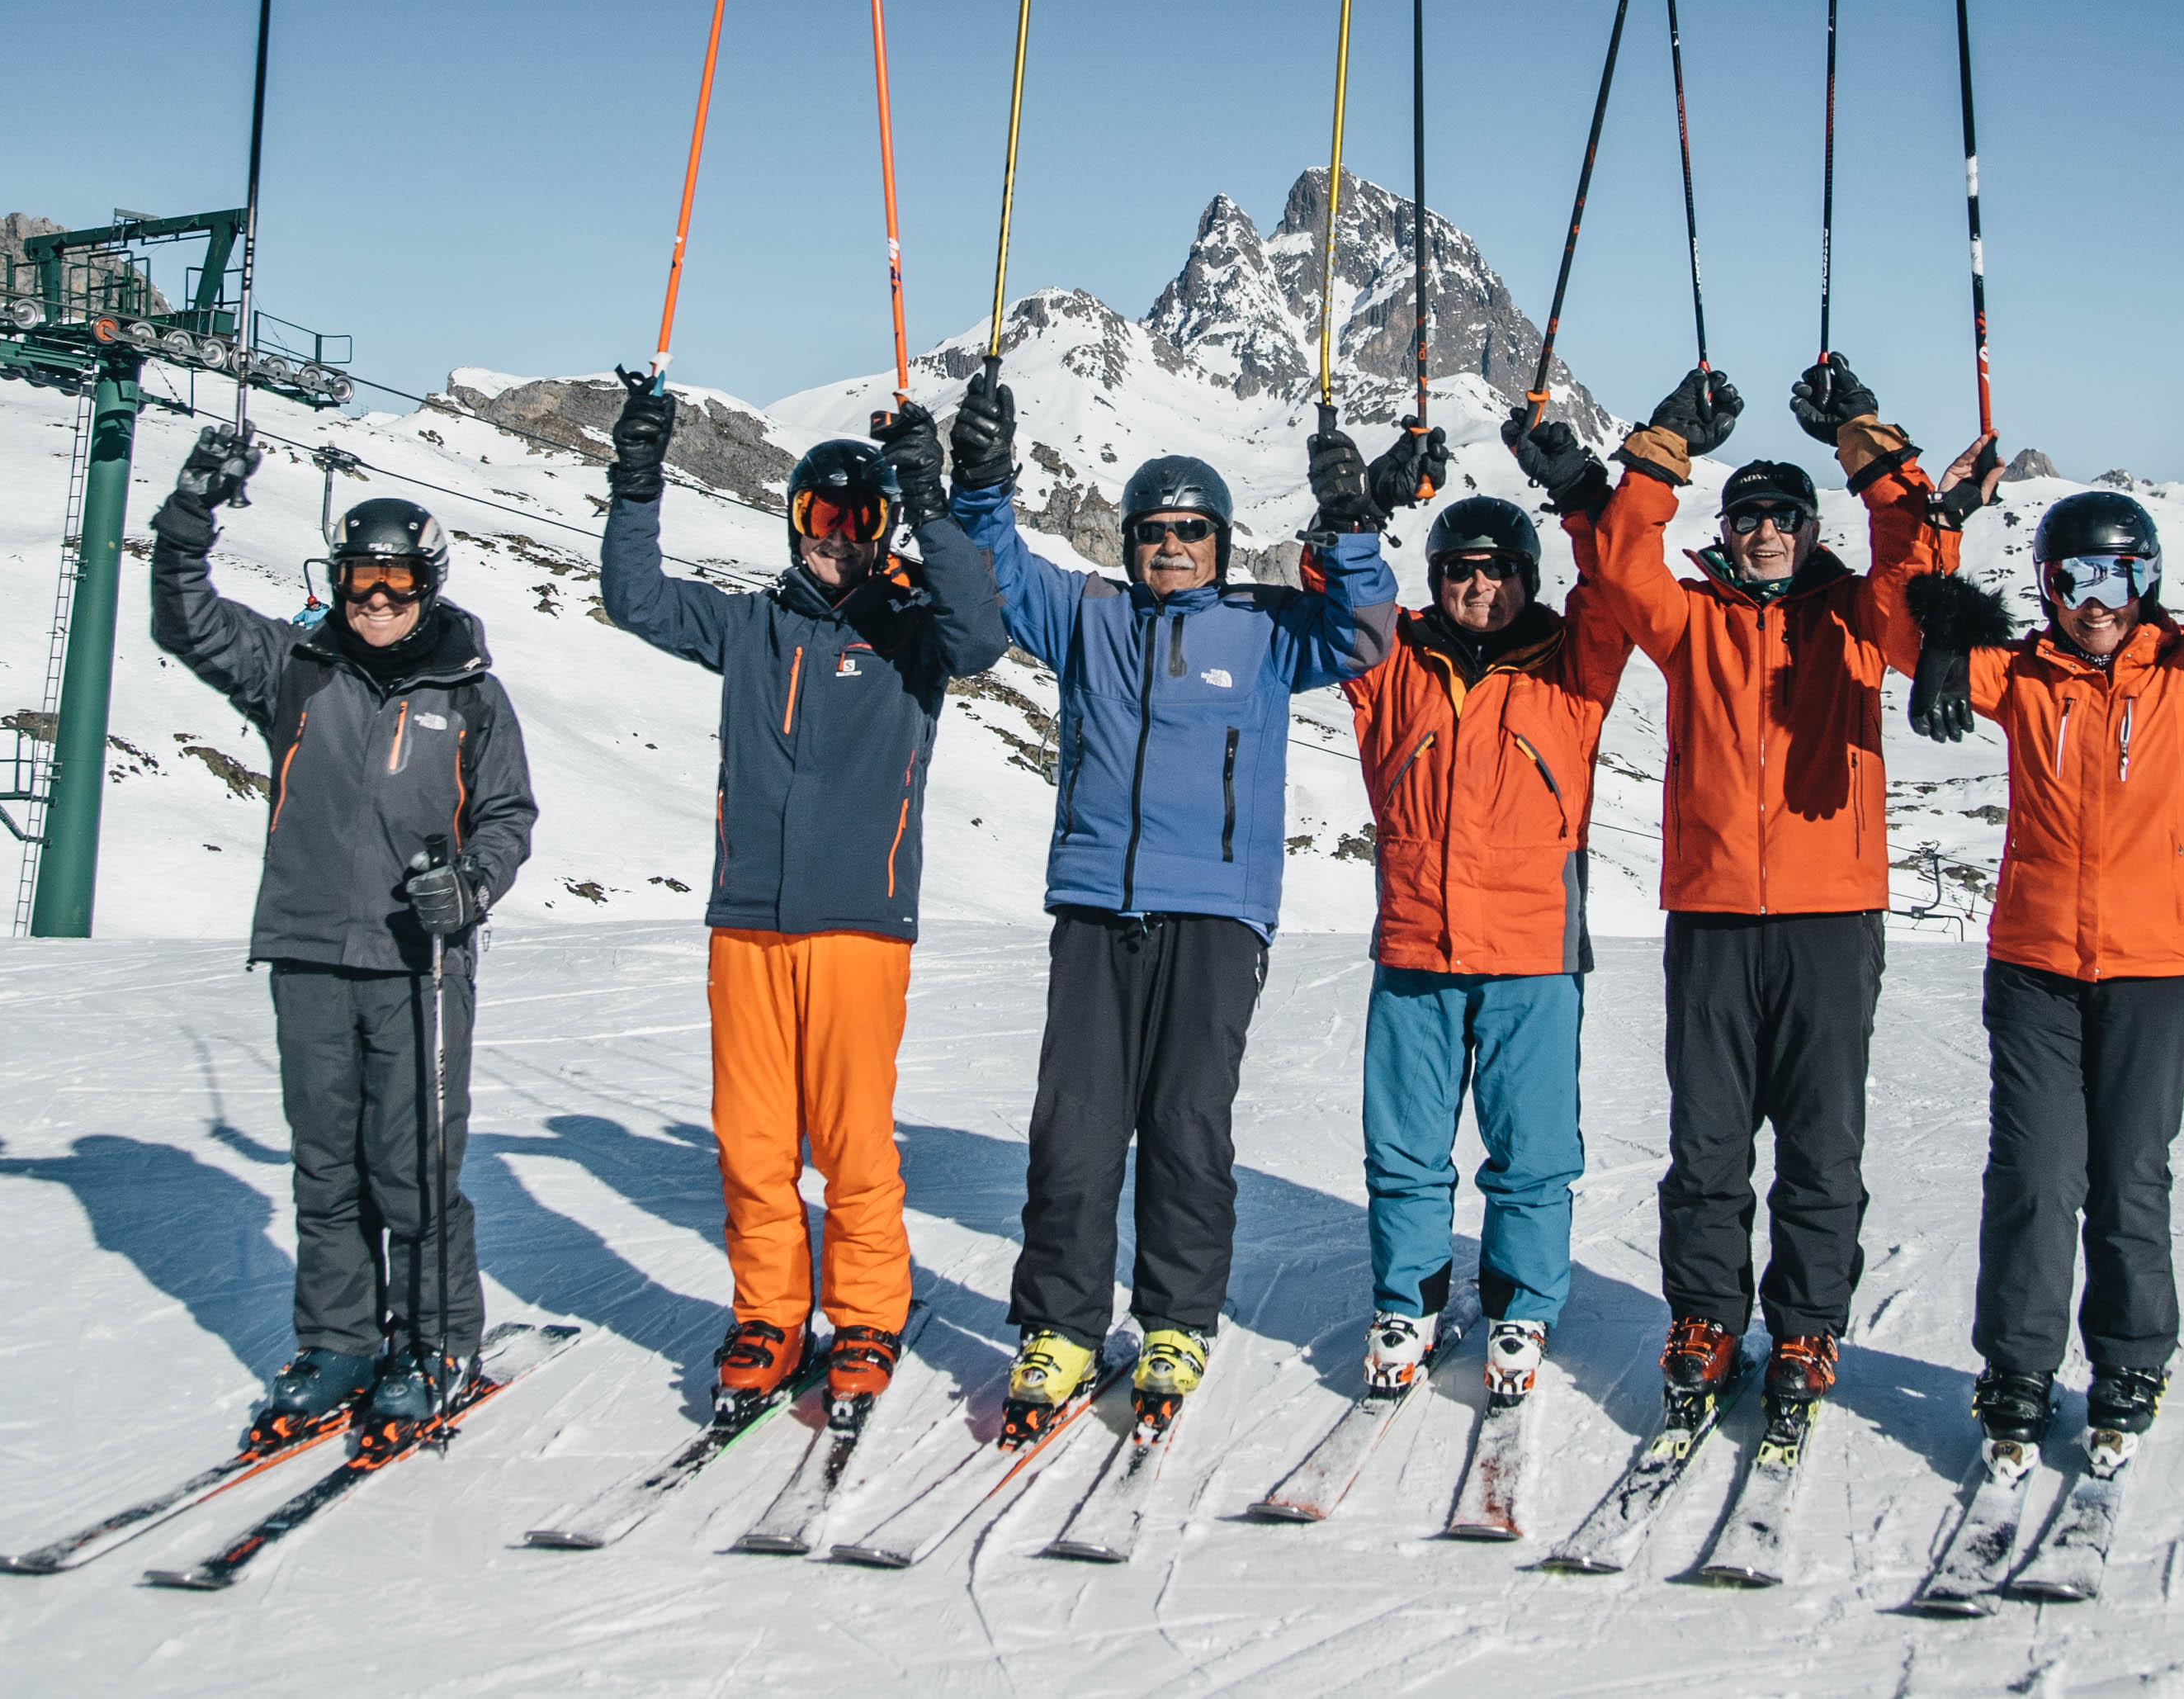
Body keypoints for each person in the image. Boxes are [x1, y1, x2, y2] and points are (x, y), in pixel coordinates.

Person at [946, 367, 1397, 1424]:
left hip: (1216, 913)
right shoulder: (1087, 614)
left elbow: (1365, 634)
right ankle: (1061, 1327)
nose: (1172, 545)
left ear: (1221, 541)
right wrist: (982, 479)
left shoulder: (1265, 626)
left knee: (1188, 1124)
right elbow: (994, 568)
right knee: (1074, 1127)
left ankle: (1176, 1321)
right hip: (1097, 906)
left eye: (1192, 529)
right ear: (1130, 541)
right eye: (1153, 530)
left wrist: (1349, 524)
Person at [1896, 402, 2184, 1454]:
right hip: (2038, 968)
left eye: (2119, 576)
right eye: (2075, 580)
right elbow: (1893, 628)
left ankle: (2132, 1359)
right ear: (2048, 586)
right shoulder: (2023, 677)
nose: (2097, 601)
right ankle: (2017, 1366)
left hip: (2162, 970)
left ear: (2148, 581)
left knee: (2130, 1175)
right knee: (2035, 1176)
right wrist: (1942, 538)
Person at [1580, 353, 1988, 1435]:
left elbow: (1918, 561)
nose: (1765, 531)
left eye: (1784, 516)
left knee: (1821, 1139)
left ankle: (1806, 1324)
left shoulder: (1858, 614)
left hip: (1830, 916)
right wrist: (1665, 444)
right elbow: (1620, 561)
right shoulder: (1690, 620)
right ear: (1727, 528)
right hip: (1713, 914)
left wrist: (1866, 441)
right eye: (1749, 515)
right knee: (1708, 1139)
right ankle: (1706, 1317)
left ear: (1812, 529)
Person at [597, 378, 1005, 1412]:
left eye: (859, 519)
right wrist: (636, 479)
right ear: (794, 520)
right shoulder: (752, 627)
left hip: (859, 924)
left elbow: (980, 636)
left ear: (881, 529)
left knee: (853, 1138)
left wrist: (930, 500)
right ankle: (770, 1313)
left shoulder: (913, 631)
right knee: (752, 1139)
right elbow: (636, 599)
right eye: (822, 515)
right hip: (747, 920)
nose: (837, 536)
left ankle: (865, 1313)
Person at [149, 424, 537, 1451]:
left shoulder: (470, 693)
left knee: (412, 1166)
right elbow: (185, 619)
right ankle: (339, 1342)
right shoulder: (295, 666)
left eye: (396, 580)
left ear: (429, 584)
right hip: (311, 947)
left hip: (419, 961)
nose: (377, 599)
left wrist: (471, 884)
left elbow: (507, 817)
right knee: (327, 1167)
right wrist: (192, 514)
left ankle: (437, 1342)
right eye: (361, 578)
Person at [1345, 414, 1633, 1407]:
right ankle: (1408, 1299)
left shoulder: (1573, 661)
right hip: (1416, 946)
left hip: (1532, 952)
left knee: (1533, 1149)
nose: (1482, 585)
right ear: (1435, 577)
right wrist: (1362, 507)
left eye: (1502, 568)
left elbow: (1619, 584)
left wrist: (1584, 498)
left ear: (1529, 575)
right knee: (1405, 1146)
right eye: (1462, 569)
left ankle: (1521, 1301)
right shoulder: (1394, 659)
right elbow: (1338, 589)